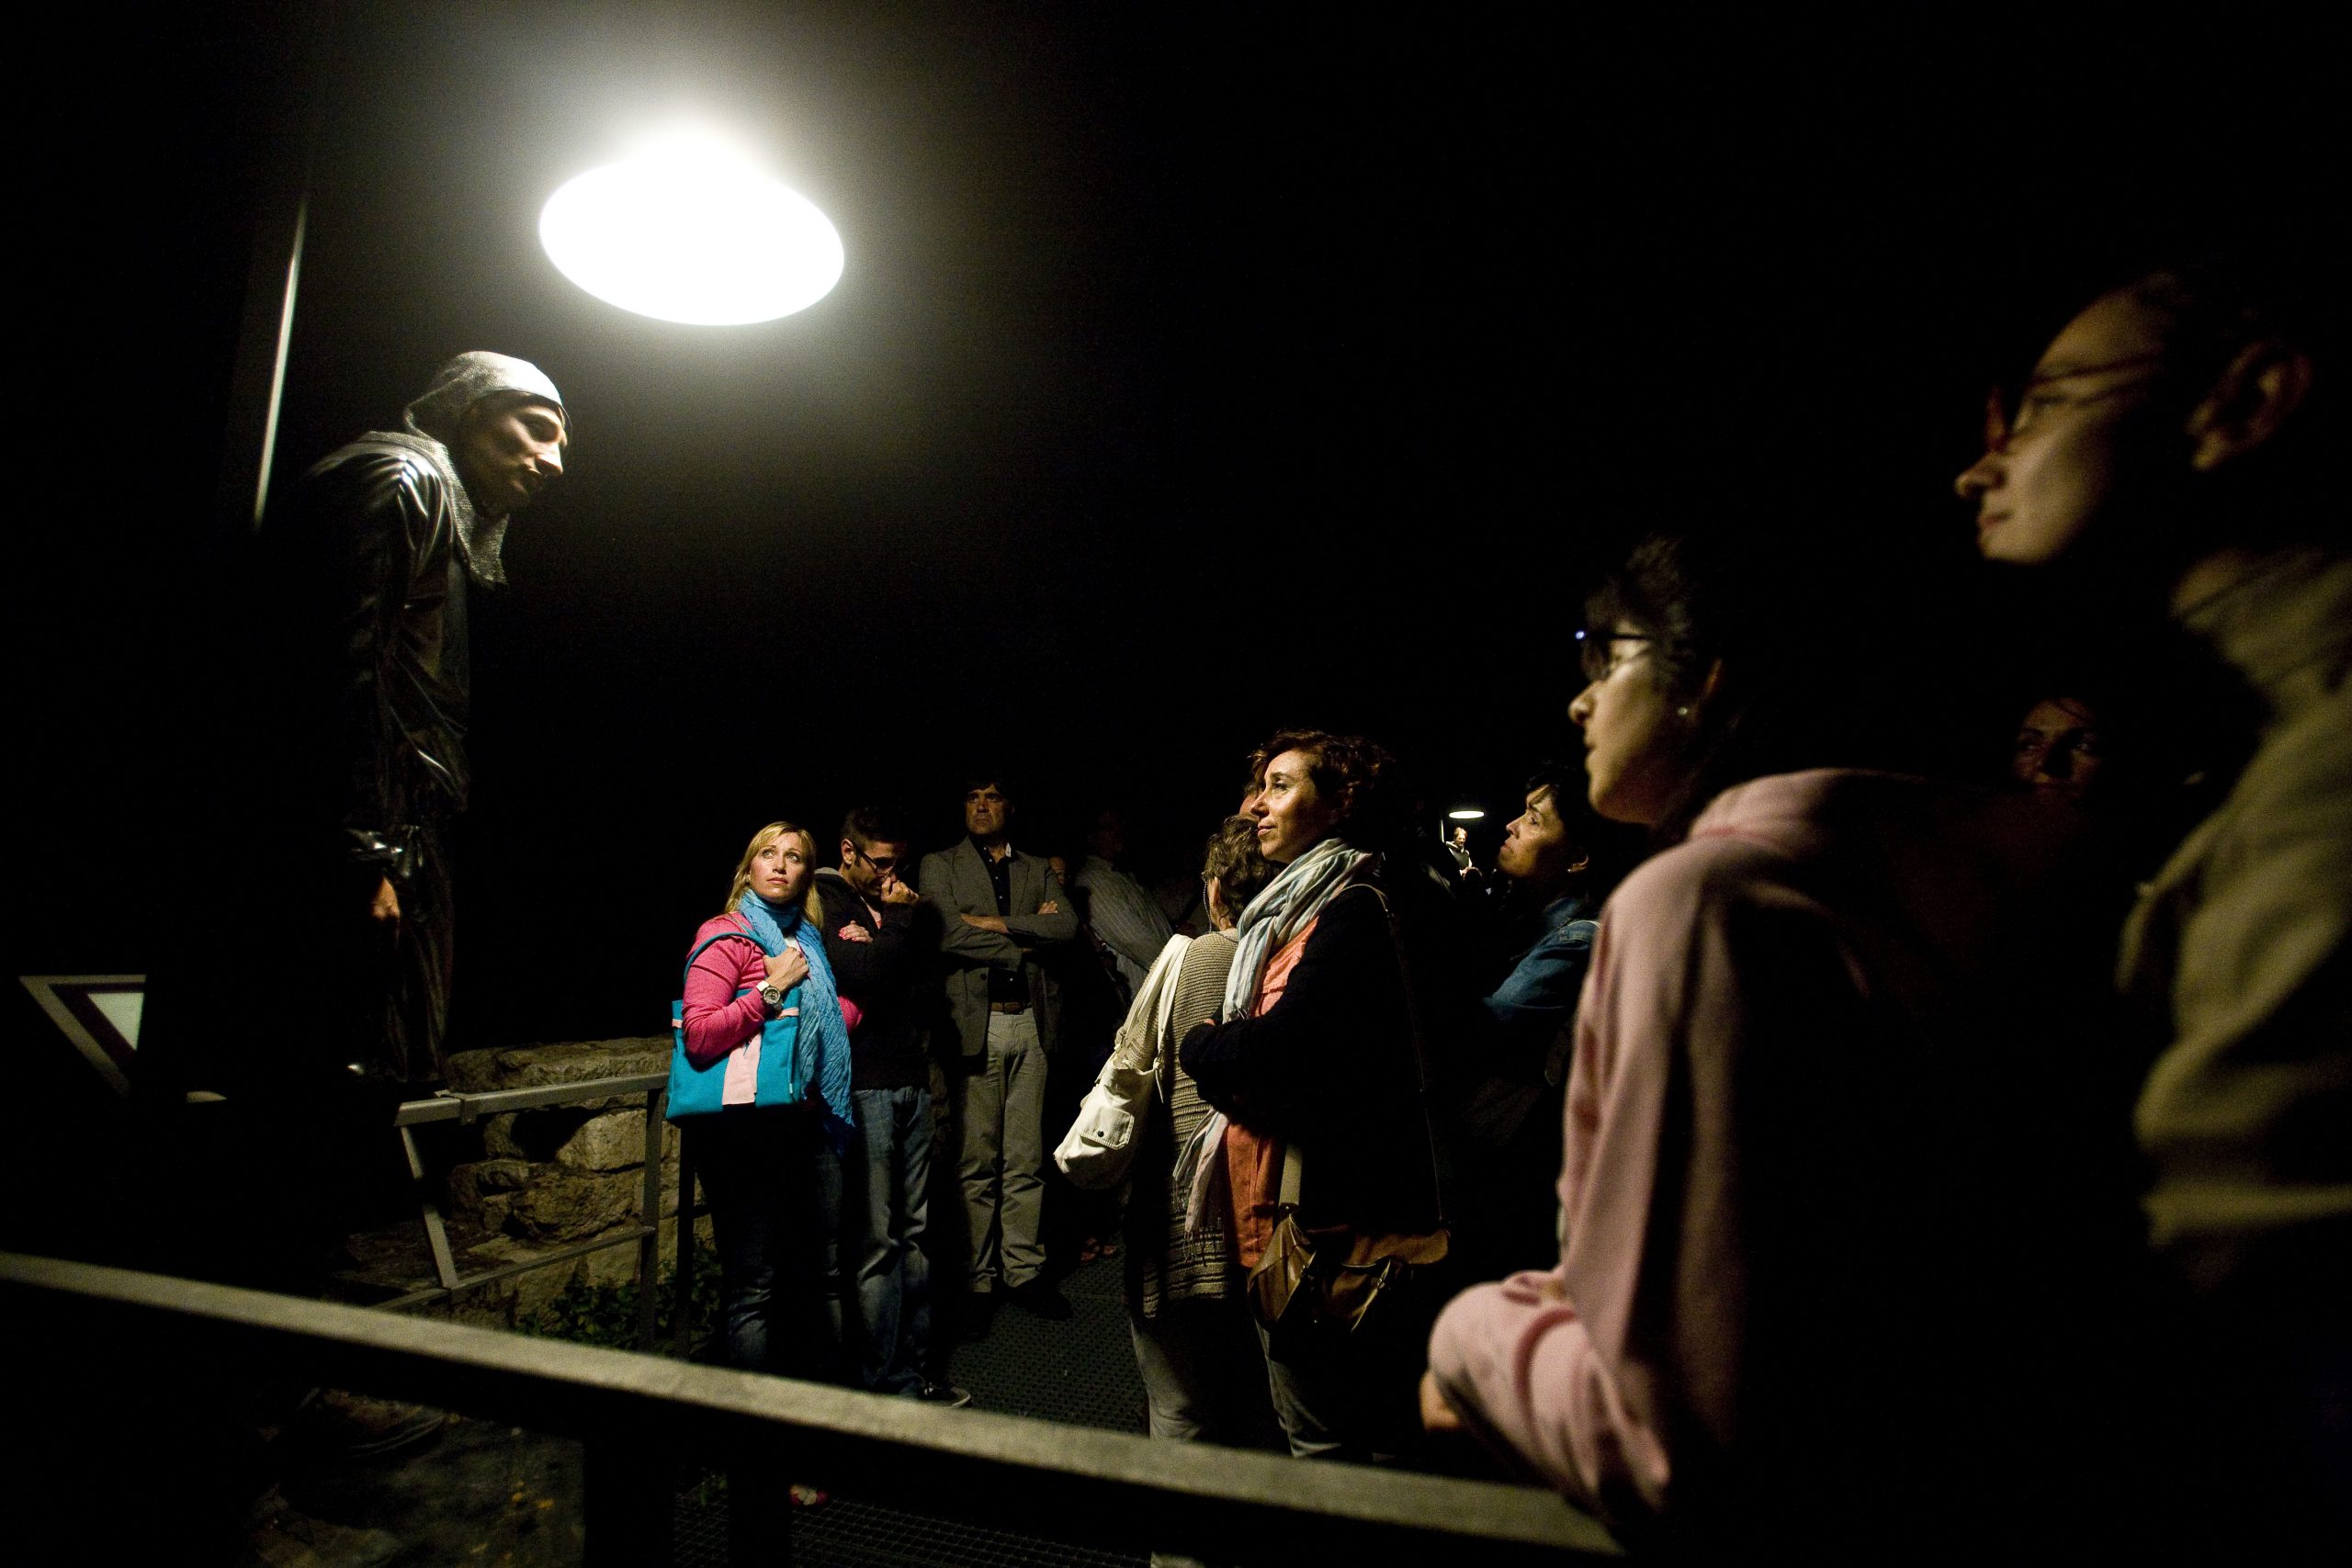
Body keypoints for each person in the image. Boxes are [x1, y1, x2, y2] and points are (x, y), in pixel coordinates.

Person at [1420, 537, 2132, 1555]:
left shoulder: (1703, 905)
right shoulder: (1993, 888)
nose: (1579, 704)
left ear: (1706, 683)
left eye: (1605, 659)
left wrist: (1466, 1341)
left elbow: (1671, 1438)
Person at [1954, 256, 2349, 1549]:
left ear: (2247, 401)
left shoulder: (2321, 779)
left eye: (2048, 403)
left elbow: (2216, 1306)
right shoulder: (2257, 761)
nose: (1979, 467)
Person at [1179, 728, 1469, 1463]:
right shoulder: (1305, 905)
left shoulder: (1354, 908)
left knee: (1327, 1438)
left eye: (1280, 785)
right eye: (1259, 786)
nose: (1253, 805)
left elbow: (1277, 1052)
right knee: (1332, 1423)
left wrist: (1201, 1043)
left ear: (1339, 801)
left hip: (1337, 1222)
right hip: (1305, 1203)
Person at [677, 821, 856, 1385]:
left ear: (808, 873)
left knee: (822, 1273)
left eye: (795, 856)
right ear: (749, 867)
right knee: (753, 1287)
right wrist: (771, 990)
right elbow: (701, 1036)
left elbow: (834, 1023)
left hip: (809, 1127)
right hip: (748, 1136)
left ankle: (824, 1417)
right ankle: (754, 1441)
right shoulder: (725, 934)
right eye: (768, 854)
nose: (780, 865)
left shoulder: (807, 940)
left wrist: (853, 971)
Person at [1122, 817, 1274, 1447]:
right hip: (1251, 1211)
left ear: (1214, 890)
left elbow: (1141, 1064)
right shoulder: (1282, 958)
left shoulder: (1207, 953)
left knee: (1180, 1408)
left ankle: (1177, 1546)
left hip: (1188, 1221)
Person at [810, 808, 965, 1404]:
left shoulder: (896, 909)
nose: (891, 873)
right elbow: (862, 971)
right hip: (866, 1081)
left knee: (920, 1233)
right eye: (880, 861)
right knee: (878, 1239)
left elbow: (926, 985)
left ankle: (921, 1368)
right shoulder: (828, 900)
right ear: (848, 851)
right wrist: (898, 926)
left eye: (898, 861)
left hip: (912, 1078)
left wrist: (889, 951)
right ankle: (887, 1378)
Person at [918, 776, 1080, 1327]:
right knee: (975, 1160)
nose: (980, 807)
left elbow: (1068, 928)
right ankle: (977, 1277)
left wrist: (994, 923)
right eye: (970, 797)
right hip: (975, 1025)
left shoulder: (1034, 867)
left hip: (1032, 1025)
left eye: (990, 797)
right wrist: (1022, 945)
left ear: (1009, 805)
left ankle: (1023, 1271)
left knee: (1026, 1159)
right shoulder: (939, 865)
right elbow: (943, 933)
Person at [1453, 764, 1601, 1280]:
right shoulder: (1523, 928)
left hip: (1520, 1179)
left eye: (1534, 820)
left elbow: (1486, 1027)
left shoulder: (1578, 940)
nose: (1512, 825)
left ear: (1578, 857)